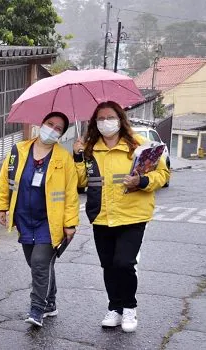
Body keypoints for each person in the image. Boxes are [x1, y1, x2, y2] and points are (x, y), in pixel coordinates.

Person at [73, 101, 170, 333]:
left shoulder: (141, 146)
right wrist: (77, 157)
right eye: (101, 118)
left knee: (124, 263)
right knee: (108, 265)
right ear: (95, 123)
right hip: (101, 215)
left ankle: (129, 307)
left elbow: (163, 174)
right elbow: (82, 182)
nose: (106, 122)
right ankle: (114, 308)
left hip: (132, 215)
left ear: (120, 119)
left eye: (110, 117)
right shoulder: (88, 150)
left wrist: (142, 181)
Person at [0, 112, 80, 328]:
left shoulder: (63, 158)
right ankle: (51, 303)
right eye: (50, 124)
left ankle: (37, 309)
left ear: (61, 134)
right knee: (36, 263)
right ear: (41, 124)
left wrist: (70, 223)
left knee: (40, 264)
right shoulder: (19, 150)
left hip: (50, 221)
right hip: (24, 218)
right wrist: (1, 205)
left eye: (58, 128)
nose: (52, 129)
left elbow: (71, 194)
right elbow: (4, 179)